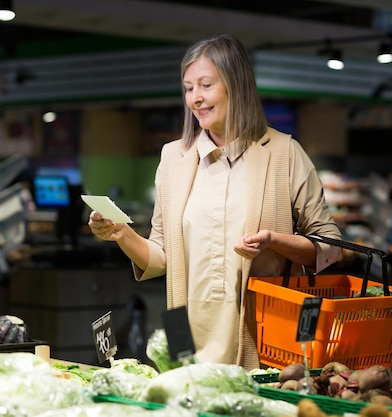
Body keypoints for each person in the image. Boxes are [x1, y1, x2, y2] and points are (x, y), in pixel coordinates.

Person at [88, 34, 342, 370]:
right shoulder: (173, 157)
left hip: (261, 333)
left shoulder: (283, 153)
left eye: (205, 85)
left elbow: (331, 247)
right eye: (188, 88)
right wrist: (122, 233)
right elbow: (162, 256)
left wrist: (275, 242)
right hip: (183, 329)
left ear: (236, 85)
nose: (195, 98)